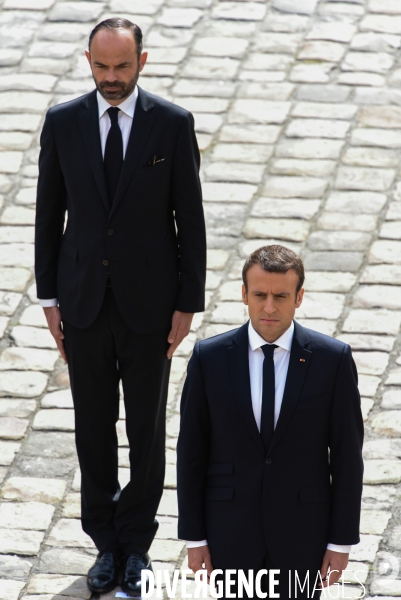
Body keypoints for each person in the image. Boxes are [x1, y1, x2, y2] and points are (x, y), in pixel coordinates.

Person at [35, 18, 206, 596]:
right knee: (92, 428)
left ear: (143, 61)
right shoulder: (63, 123)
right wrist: (49, 296)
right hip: (82, 302)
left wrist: (188, 302)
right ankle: (104, 543)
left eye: (122, 67)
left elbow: (191, 218)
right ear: (88, 59)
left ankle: (137, 544)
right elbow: (48, 215)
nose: (111, 78)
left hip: (150, 306)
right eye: (101, 67)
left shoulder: (172, 125)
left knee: (145, 427)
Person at [177, 245, 363, 599]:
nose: (269, 307)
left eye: (281, 296)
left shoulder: (332, 360)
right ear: (244, 294)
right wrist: (195, 537)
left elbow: (346, 456)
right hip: (229, 533)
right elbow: (191, 453)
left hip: (303, 535)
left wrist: (341, 542)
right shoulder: (209, 359)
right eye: (259, 295)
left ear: (299, 297)